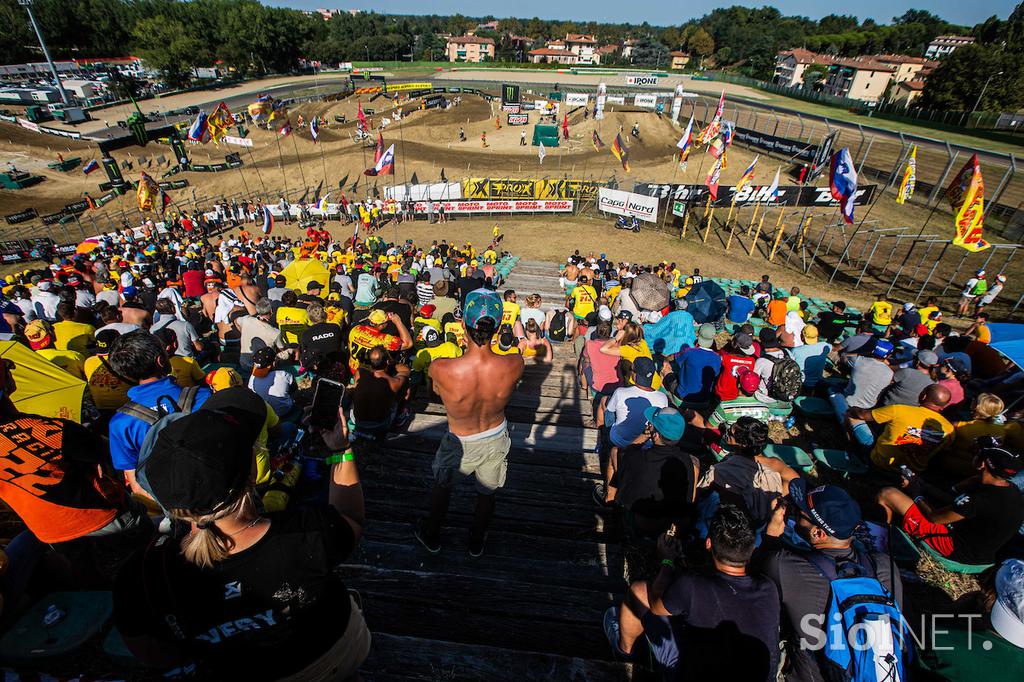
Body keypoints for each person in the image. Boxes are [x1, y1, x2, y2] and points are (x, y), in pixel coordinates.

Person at [112, 388, 370, 679]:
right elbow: (350, 518)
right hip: (334, 654)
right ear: (251, 474)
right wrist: (340, 450)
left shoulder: (142, 575)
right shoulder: (308, 531)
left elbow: (156, 655)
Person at [0, 357, 152, 587]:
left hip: (48, 530)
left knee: (90, 579)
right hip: (102, 517)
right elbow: (111, 452)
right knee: (146, 555)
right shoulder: (45, 430)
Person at [604, 505, 780, 681]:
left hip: (688, 673)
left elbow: (656, 605)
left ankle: (624, 654)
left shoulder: (692, 585)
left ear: (708, 543)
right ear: (752, 548)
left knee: (639, 591)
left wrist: (667, 559)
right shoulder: (769, 589)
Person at [756, 480, 902, 682]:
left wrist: (772, 535)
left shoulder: (785, 566)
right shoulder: (885, 566)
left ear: (818, 533)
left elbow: (753, 577)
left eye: (800, 514)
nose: (795, 514)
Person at [415, 289, 524, 557]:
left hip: (458, 439)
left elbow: (433, 396)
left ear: (463, 324)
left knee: (443, 486)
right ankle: (476, 540)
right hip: (496, 434)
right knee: (487, 493)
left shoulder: (441, 368)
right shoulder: (515, 363)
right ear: (497, 328)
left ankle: (432, 534)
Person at [877, 443, 1023, 566]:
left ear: (983, 463)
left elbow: (934, 518)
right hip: (982, 553)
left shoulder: (979, 500)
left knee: (887, 493)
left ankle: (880, 538)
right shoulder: (1010, 489)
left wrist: (916, 493)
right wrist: (923, 485)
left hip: (957, 550)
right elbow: (953, 501)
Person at [107, 331, 212, 495]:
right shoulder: (203, 396)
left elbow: (135, 483)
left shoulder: (121, 423)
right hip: (210, 488)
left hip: (166, 501)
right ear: (161, 360)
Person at [610, 407, 700, 535]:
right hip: (670, 525)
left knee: (615, 451)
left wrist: (644, 436)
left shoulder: (637, 457)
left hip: (640, 524)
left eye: (652, 425)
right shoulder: (687, 461)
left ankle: (610, 502)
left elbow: (624, 452)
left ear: (656, 435)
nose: (649, 425)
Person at [847, 384, 954, 472]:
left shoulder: (899, 410)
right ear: (943, 405)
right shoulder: (949, 429)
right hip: (911, 473)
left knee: (851, 415)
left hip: (879, 462)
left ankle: (852, 450)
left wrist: (854, 409)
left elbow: (863, 415)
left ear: (924, 396)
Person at [938, 393, 1008, 479]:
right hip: (974, 473)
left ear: (977, 408)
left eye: (975, 401)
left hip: (949, 466)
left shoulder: (962, 427)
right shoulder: (1001, 431)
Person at [352, 346, 410, 434]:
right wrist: (392, 362)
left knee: (356, 387)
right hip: (380, 425)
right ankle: (400, 416)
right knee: (406, 385)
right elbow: (406, 371)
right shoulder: (394, 382)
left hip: (359, 423)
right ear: (387, 361)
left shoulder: (359, 373)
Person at [666, 323, 721, 404]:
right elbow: (715, 375)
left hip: (683, 395)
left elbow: (673, 359)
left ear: (698, 334)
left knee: (665, 369)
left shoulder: (689, 351)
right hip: (704, 399)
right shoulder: (717, 358)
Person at [248, 346, 296, 418]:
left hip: (263, 414)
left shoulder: (252, 378)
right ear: (273, 363)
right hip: (284, 412)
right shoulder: (284, 375)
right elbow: (294, 389)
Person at [788, 324, 830, 390]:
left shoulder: (796, 351)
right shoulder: (825, 346)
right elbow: (830, 348)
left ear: (802, 336)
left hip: (800, 383)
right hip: (817, 382)